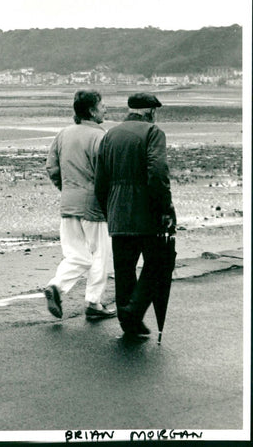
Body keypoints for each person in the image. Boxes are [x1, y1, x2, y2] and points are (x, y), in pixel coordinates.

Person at [94, 92, 177, 337]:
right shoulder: (153, 133)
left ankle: (128, 322)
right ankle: (135, 310)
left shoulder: (110, 135)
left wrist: (109, 210)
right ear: (151, 111)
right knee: (158, 264)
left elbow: (100, 182)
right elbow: (158, 173)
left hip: (118, 212)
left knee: (124, 269)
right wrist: (165, 208)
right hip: (146, 212)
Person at [43, 90, 116, 320]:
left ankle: (56, 285)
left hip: (69, 202)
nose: (105, 108)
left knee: (76, 254)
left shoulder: (63, 134)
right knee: (99, 255)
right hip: (94, 205)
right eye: (102, 105)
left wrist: (65, 188)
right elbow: (107, 173)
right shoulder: (101, 137)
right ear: (92, 110)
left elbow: (52, 167)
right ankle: (93, 303)